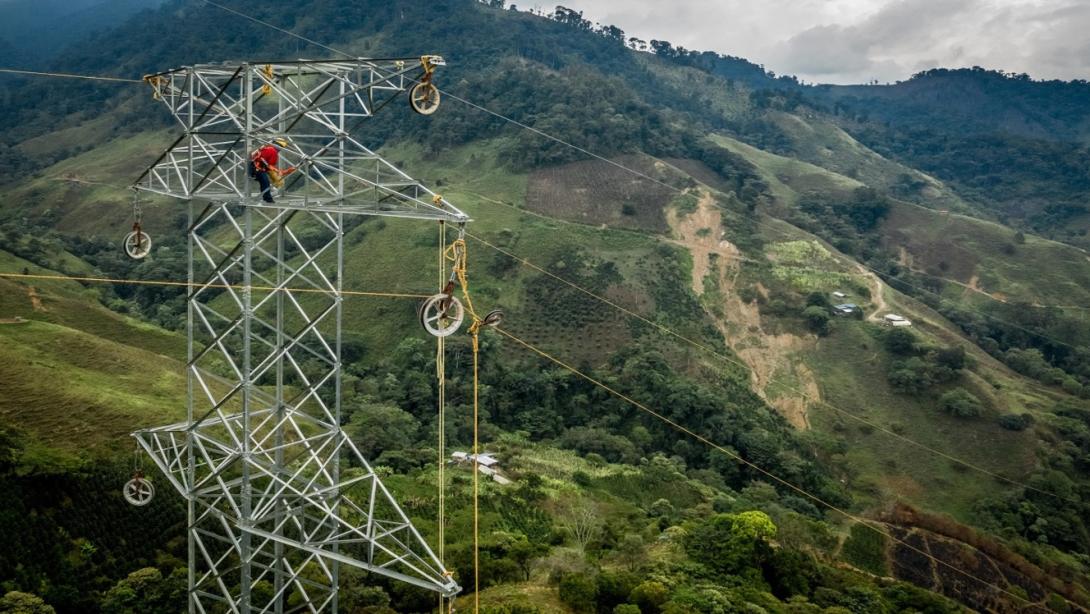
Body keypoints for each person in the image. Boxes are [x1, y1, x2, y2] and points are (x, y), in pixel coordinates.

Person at [250, 137, 290, 203]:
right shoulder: (273, 151)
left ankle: (268, 196)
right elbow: (270, 165)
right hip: (257, 168)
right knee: (265, 183)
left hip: (254, 166)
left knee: (265, 182)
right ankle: (268, 199)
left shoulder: (266, 148)